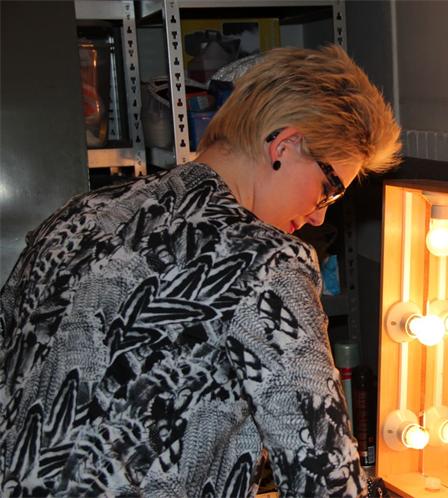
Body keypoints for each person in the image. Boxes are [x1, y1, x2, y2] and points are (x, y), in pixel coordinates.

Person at [0, 45, 401, 497]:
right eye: (329, 189)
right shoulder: (265, 261)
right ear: (283, 146)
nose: (319, 216)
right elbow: (324, 479)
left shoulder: (80, 214)